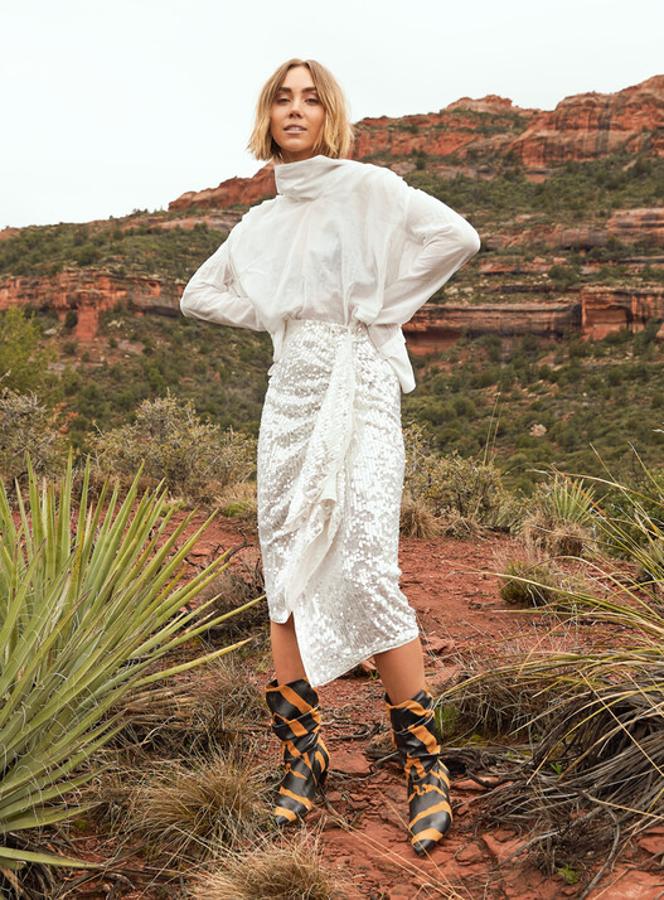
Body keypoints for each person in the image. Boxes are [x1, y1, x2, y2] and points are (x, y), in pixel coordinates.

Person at [179, 57, 481, 857]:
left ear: (330, 113)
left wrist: (385, 304)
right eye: (282, 97)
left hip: (361, 382)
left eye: (311, 98)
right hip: (291, 394)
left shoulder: (369, 186)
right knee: (285, 573)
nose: (296, 108)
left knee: (369, 565)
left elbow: (457, 236)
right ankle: (303, 760)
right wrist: (282, 318)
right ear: (266, 114)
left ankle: (424, 765)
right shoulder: (258, 222)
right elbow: (199, 295)